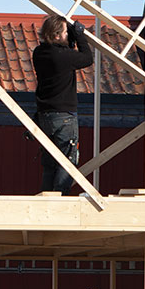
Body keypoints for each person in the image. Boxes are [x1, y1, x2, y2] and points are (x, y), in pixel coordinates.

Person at [33, 14, 95, 195]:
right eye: (66, 32)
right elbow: (87, 58)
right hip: (64, 116)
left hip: (45, 114)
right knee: (67, 160)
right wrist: (80, 36)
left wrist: (71, 39)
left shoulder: (40, 53)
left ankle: (47, 197)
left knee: (50, 162)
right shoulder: (63, 56)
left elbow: (63, 52)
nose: (68, 35)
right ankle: (61, 197)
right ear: (57, 35)